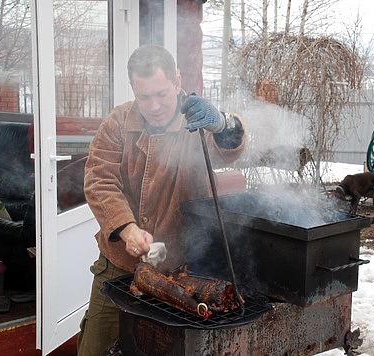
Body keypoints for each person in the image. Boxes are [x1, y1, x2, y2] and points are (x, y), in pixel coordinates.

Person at [77, 45, 246, 356]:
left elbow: (234, 149)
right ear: (133, 89)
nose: (154, 106)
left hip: (181, 270)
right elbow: (100, 182)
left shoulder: (196, 123)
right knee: (95, 349)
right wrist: (127, 230)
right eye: (144, 97)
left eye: (161, 94)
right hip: (119, 264)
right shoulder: (116, 124)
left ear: (177, 81)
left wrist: (222, 123)